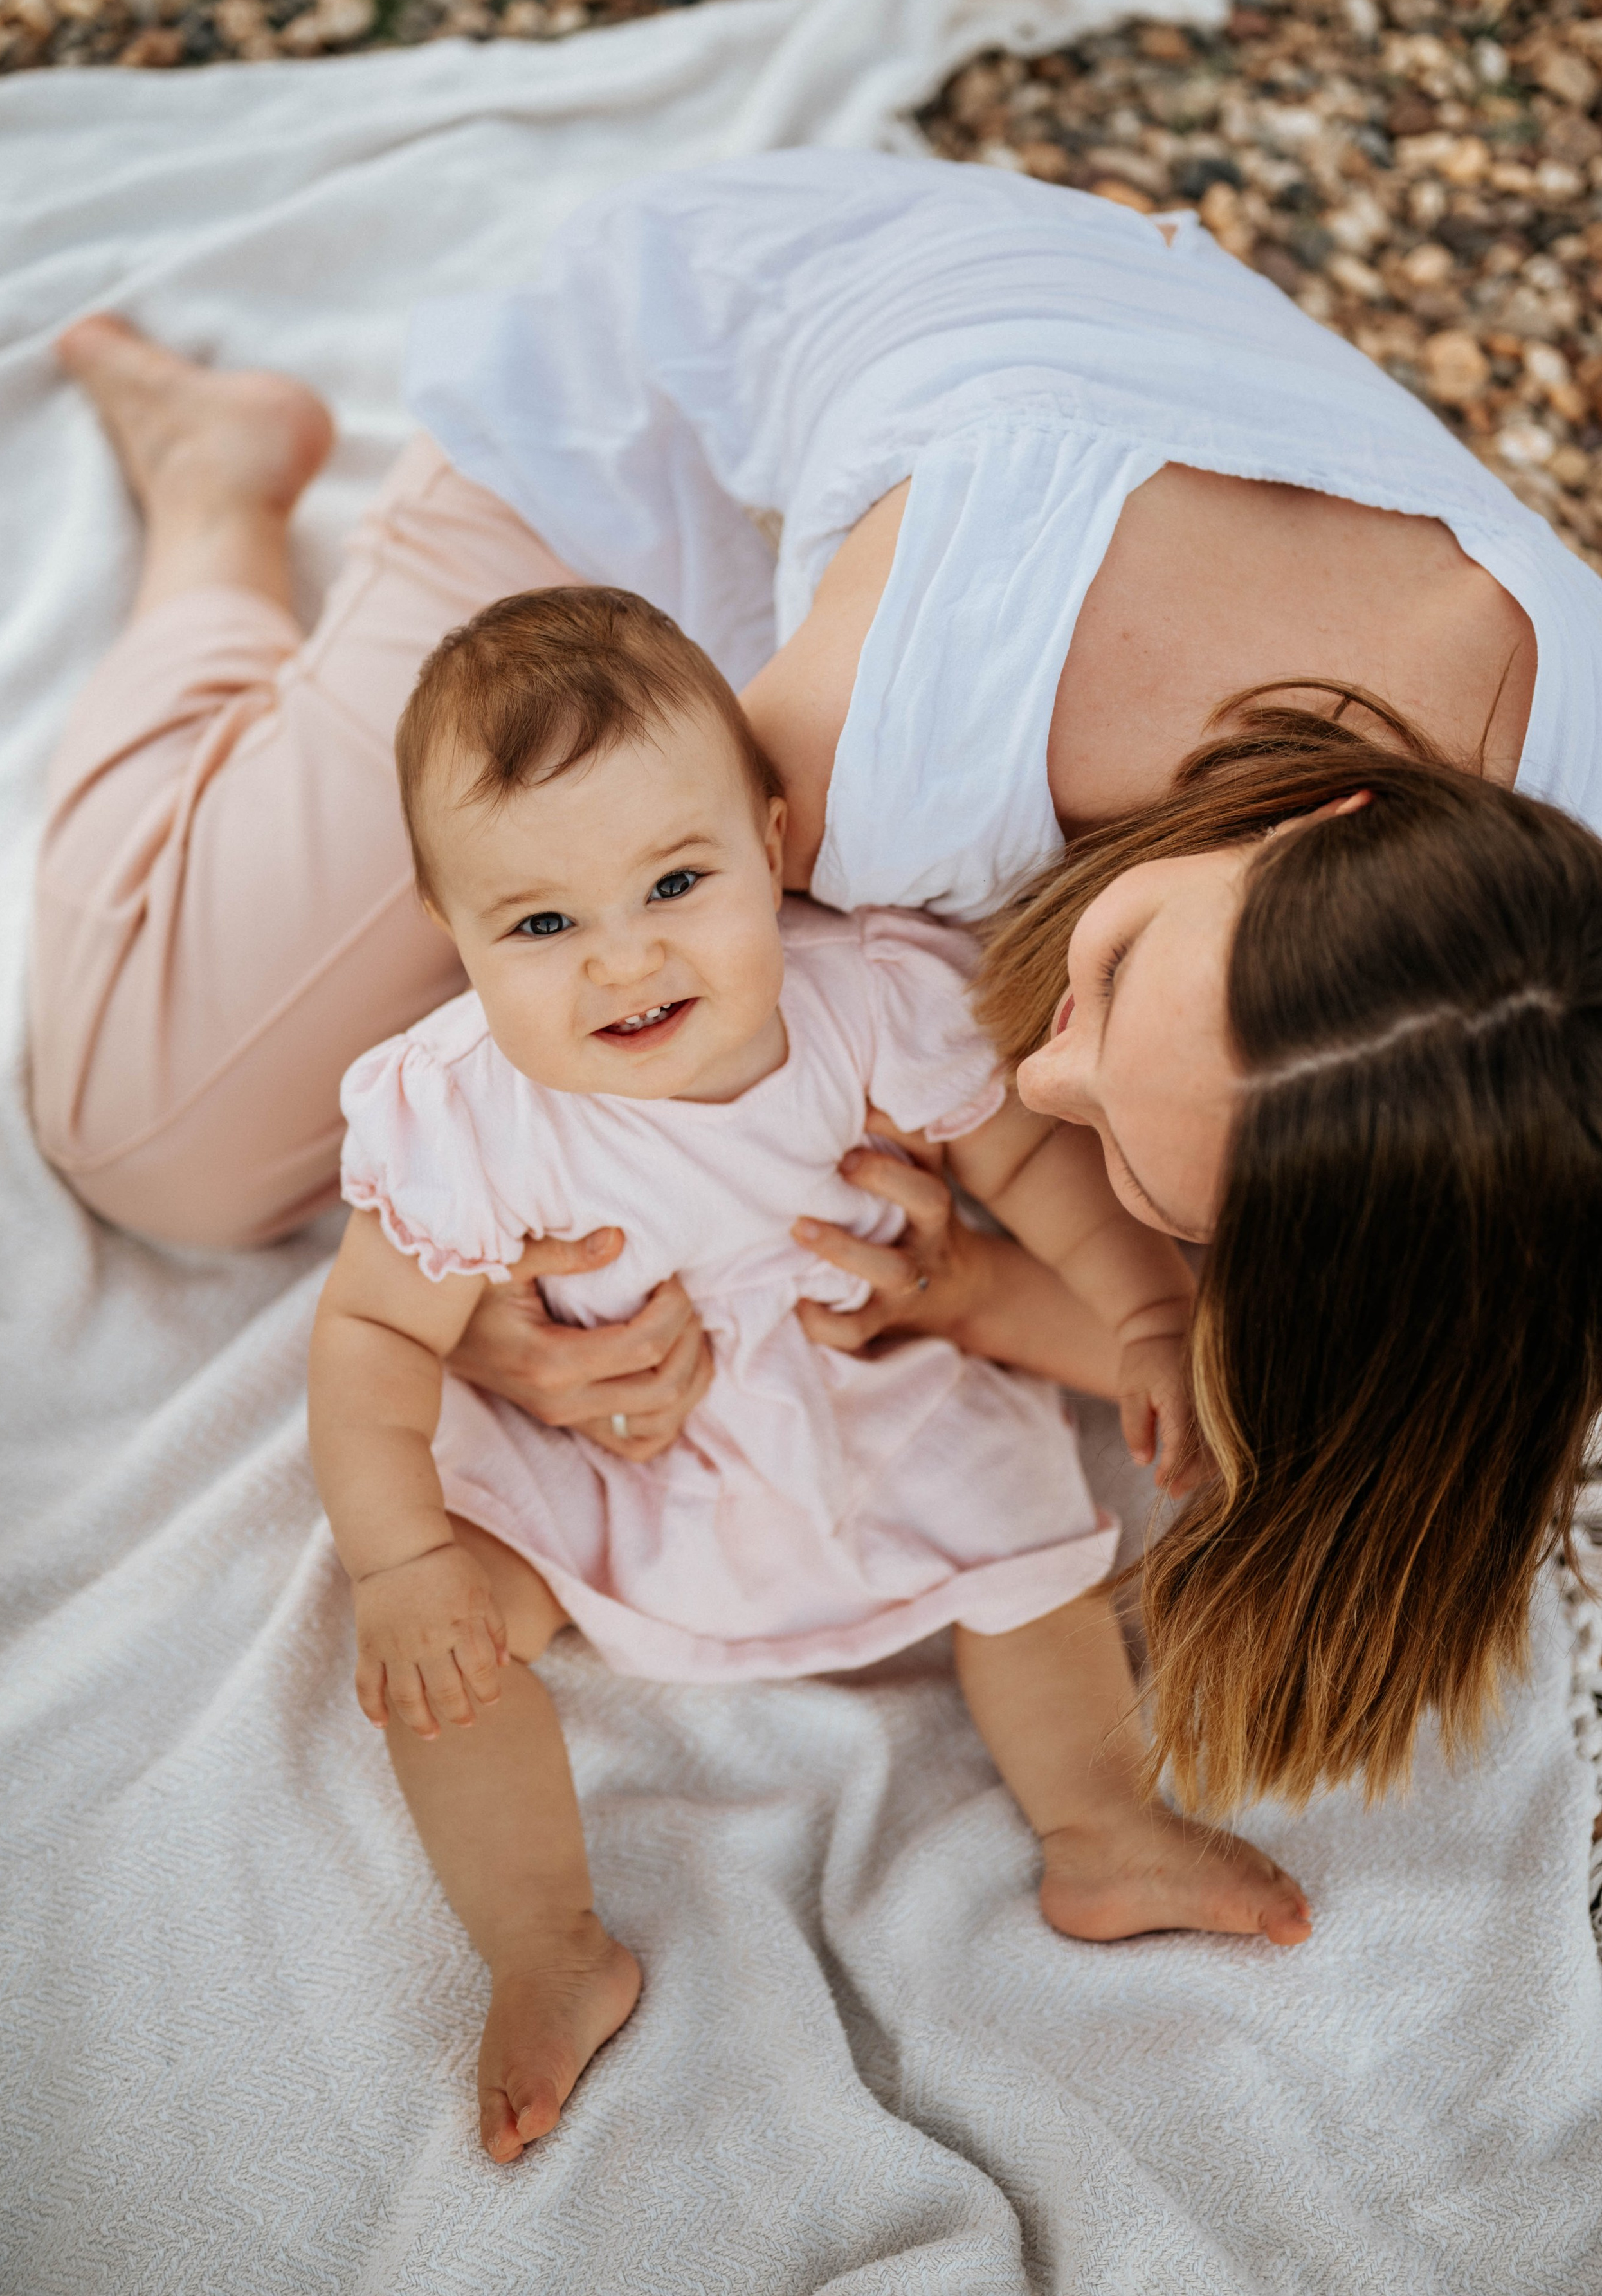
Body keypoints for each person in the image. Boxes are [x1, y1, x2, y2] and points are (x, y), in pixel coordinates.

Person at [30, 154, 1602, 1799]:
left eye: (1141, 1159)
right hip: (668, 493)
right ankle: (216, 500)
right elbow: (587, 1026)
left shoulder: (1543, 950)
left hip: (1046, 419)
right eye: (1113, 980)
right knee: (161, 1133)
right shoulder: (873, 744)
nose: (1036, 1082)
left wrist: (1015, 1291)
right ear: (1330, 822)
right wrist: (477, 1305)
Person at [307, 584, 1311, 2164]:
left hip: (859, 1380)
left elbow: (1033, 1171)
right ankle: (546, 1942)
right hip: (611, 1436)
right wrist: (400, 1559)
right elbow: (370, 1335)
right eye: (541, 924)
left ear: (772, 847)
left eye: (676, 881)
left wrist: (1137, 1316)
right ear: (453, 931)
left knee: (1030, 1565)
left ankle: (1098, 1827)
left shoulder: (864, 998)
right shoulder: (468, 1111)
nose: (622, 960)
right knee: (450, 1654)